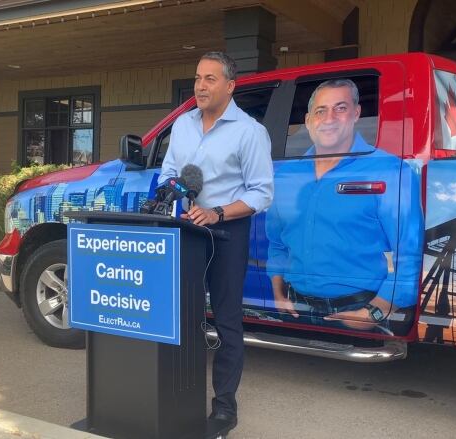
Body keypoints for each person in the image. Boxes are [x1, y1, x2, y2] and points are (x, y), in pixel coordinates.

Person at [159, 51, 273, 433]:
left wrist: (218, 212)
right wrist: (174, 191)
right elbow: (170, 172)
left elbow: (261, 194)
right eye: (197, 78)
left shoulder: (250, 132)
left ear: (230, 85)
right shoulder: (182, 126)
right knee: (184, 319)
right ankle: (178, 395)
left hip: (227, 233)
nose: (200, 86)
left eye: (210, 78)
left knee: (226, 323)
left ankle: (224, 409)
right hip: (187, 232)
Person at [266, 79, 423, 334]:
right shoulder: (286, 176)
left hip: (359, 311)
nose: (329, 118)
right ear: (308, 120)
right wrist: (277, 292)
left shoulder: (390, 171)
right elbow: (277, 242)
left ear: (356, 113)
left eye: (340, 108)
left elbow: (409, 250)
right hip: (296, 309)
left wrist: (377, 310)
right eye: (320, 110)